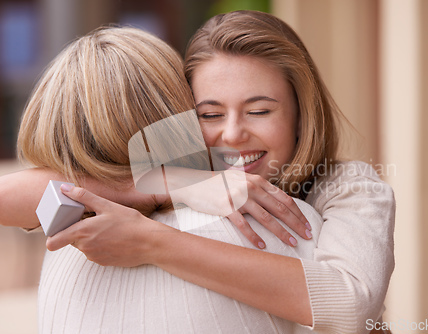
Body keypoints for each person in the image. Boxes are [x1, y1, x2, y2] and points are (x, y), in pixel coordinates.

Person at [1, 10, 395, 334]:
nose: (233, 133)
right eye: (209, 114)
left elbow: (351, 304)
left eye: (260, 111)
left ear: (300, 115)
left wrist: (152, 240)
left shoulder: (345, 186)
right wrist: (179, 183)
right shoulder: (184, 169)